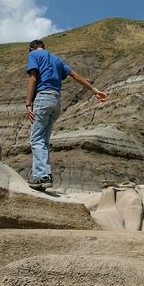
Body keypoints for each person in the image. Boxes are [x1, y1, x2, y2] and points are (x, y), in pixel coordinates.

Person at [25, 39, 108, 190]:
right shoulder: (56, 59)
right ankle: (45, 176)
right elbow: (75, 75)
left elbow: (33, 78)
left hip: (43, 98)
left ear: (31, 48)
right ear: (44, 47)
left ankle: (42, 176)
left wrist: (28, 103)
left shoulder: (34, 55)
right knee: (43, 140)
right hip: (56, 101)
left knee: (36, 139)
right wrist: (95, 90)